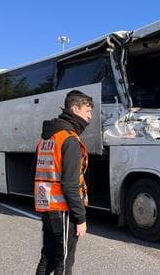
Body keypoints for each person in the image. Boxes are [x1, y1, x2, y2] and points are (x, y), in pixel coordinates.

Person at [34, 90, 93, 275]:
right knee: (64, 262)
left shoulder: (47, 137)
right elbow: (70, 184)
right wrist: (80, 218)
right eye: (87, 111)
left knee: (48, 256)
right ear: (75, 109)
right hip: (63, 209)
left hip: (47, 205)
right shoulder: (70, 139)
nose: (90, 116)